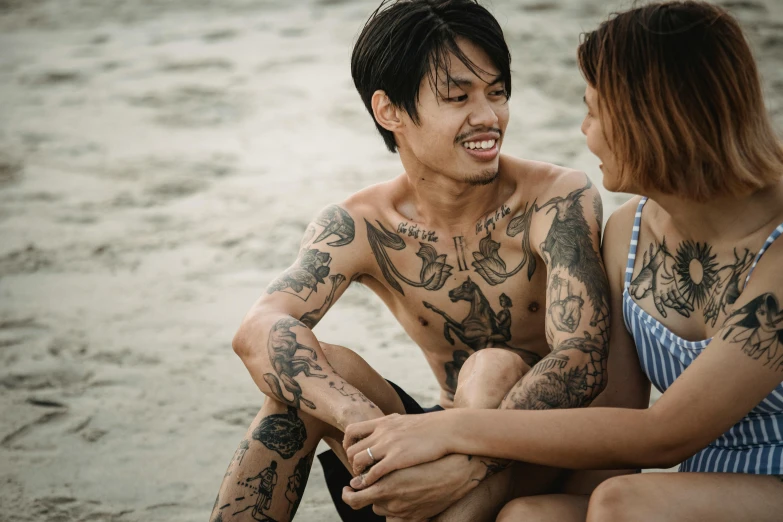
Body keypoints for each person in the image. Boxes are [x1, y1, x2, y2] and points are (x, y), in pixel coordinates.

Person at [342, 2, 783, 520]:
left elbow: (664, 437)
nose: (584, 130)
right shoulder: (629, 231)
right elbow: (614, 425)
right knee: (531, 515)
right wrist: (481, 490)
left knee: (623, 505)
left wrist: (446, 430)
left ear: (655, 115)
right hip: (701, 490)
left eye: (594, 110)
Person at [210, 1, 617, 521]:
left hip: (537, 453)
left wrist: (467, 460)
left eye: (496, 92)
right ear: (390, 111)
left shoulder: (556, 197)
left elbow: (583, 359)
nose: (489, 117)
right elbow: (257, 329)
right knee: (302, 384)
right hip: (418, 458)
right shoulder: (361, 222)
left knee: (491, 365)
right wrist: (361, 419)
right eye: (458, 96)